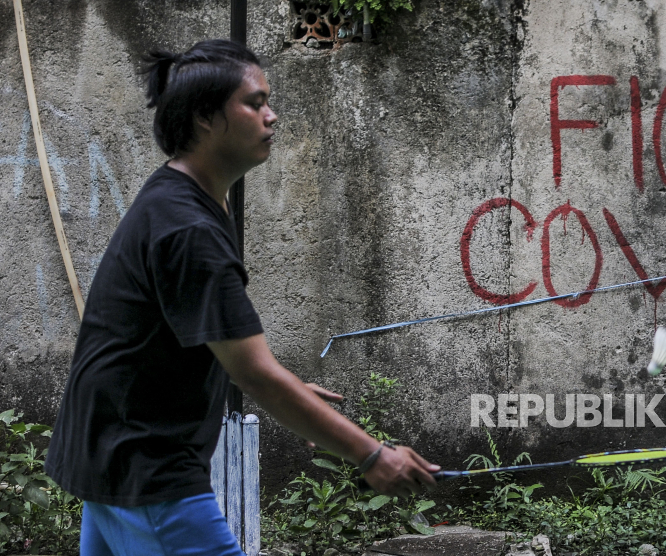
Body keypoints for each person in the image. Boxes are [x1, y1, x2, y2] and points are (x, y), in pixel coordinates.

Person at [45, 39, 440, 556]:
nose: (272, 116)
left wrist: (290, 394)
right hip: (147, 470)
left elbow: (207, 346)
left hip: (111, 455)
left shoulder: (182, 197)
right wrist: (371, 456)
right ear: (206, 116)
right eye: (254, 103)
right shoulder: (189, 228)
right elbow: (252, 371)